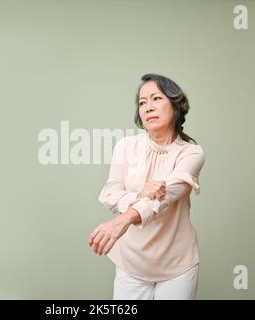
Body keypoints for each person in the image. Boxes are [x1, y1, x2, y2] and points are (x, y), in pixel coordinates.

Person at [88, 73, 205, 300]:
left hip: (177, 265)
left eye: (156, 99)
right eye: (142, 102)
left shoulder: (192, 153)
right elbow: (109, 193)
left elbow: (166, 196)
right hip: (130, 263)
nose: (148, 107)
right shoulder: (125, 146)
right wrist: (139, 194)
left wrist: (121, 220)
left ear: (175, 106)